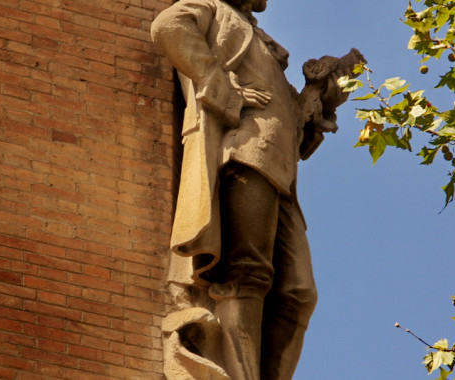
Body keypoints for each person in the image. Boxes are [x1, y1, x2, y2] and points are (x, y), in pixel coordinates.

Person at [151, 1, 356, 379]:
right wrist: (222, 87)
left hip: (281, 174)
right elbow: (169, 25)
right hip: (245, 156)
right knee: (247, 272)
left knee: (297, 293)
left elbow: (291, 129)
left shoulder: (262, 43)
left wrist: (316, 95)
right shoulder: (214, 8)